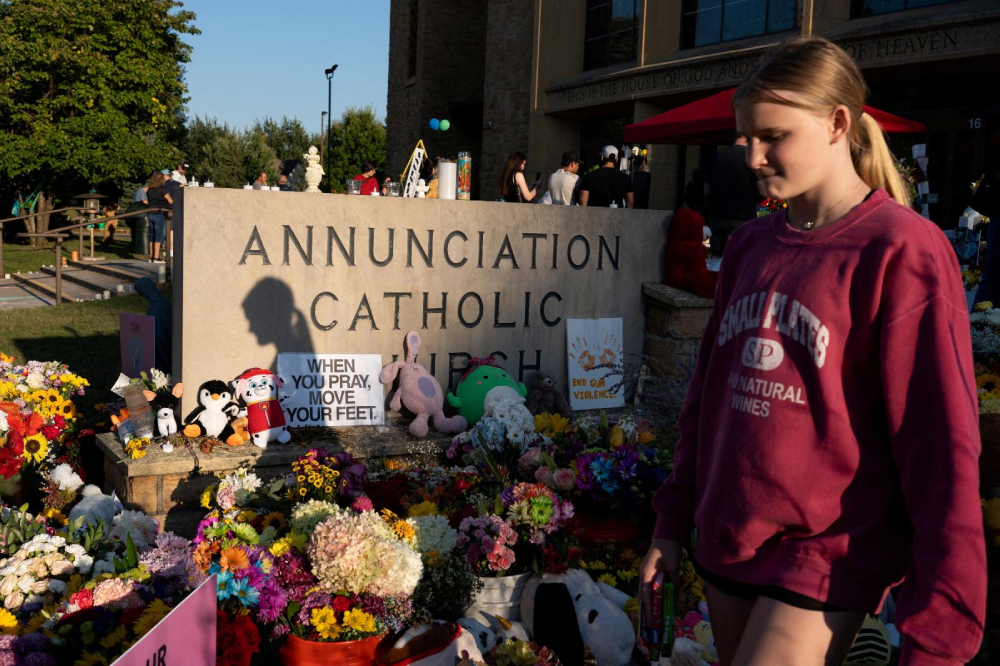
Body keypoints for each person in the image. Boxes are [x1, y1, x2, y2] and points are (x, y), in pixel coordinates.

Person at [640, 36, 985, 666]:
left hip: (827, 554)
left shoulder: (902, 249)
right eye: (745, 138)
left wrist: (942, 624)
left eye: (773, 136)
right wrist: (672, 521)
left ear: (836, 123)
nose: (753, 156)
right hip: (727, 543)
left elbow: (941, 442)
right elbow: (707, 399)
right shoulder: (749, 244)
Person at [708, 136, 765, 255]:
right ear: (747, 140)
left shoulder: (717, 157)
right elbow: (762, 190)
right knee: (739, 257)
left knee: (717, 257)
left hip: (717, 216)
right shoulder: (751, 158)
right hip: (742, 216)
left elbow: (706, 189)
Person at [145, 171, 173, 263]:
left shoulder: (149, 189)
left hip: (150, 213)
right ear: (161, 179)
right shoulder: (163, 189)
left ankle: (151, 257)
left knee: (151, 235)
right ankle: (156, 257)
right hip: (159, 213)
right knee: (158, 236)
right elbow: (170, 201)